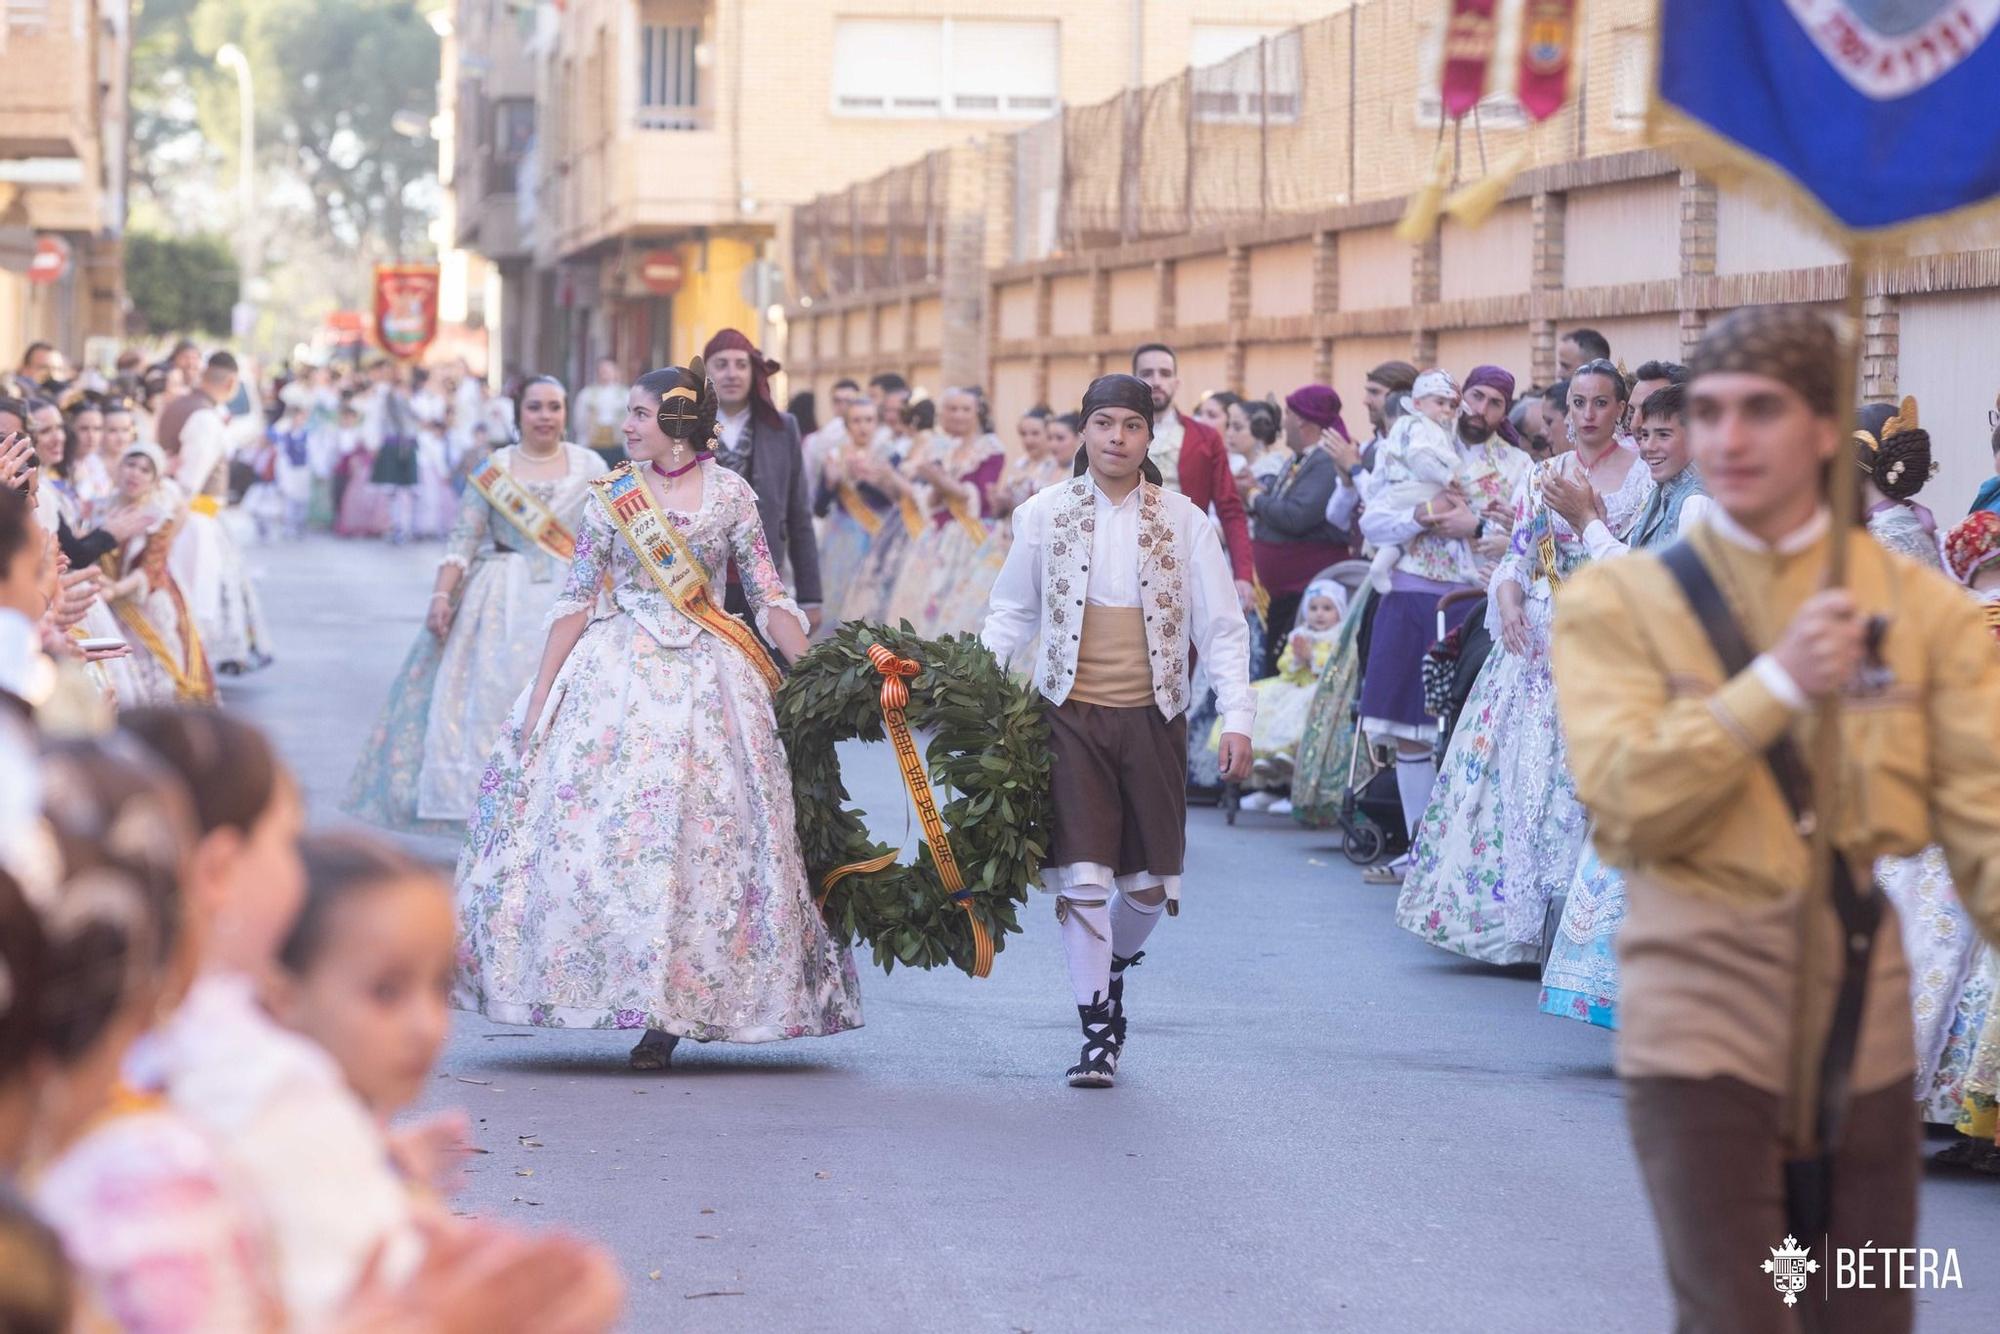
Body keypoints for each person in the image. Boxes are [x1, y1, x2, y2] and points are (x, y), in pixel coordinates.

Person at [1552, 305, 2000, 1334]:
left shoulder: (1925, 611)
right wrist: (1776, 682)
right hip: (1696, 1010)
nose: (1729, 438)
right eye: (1708, 413)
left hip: (1862, 1025)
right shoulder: (1619, 605)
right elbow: (1625, 795)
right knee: (1744, 1304)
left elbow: (1978, 834)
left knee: (1860, 1308)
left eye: (1764, 409)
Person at [455, 358, 861, 1070]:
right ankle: (614, 988)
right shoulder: (611, 494)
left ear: (675, 421)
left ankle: (680, 1007)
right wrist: (540, 697)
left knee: (710, 840)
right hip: (617, 671)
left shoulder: (732, 494)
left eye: (640, 415)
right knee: (607, 838)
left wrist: (822, 668)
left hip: (712, 673)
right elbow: (578, 597)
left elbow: (766, 595)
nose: (627, 427)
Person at [981, 373, 1254, 1088]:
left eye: (1131, 426)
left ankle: (1114, 967)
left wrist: (1239, 716)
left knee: (1147, 887)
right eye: (1103, 424)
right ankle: (1096, 1028)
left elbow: (1223, 626)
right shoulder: (1044, 513)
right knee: (1085, 876)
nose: (1116, 439)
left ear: (1148, 436)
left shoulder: (1187, 520)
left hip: (1154, 716)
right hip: (1068, 714)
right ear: (1084, 432)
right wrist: (980, 686)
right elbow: (1012, 611)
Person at [1394, 358, 1648, 963]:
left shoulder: (1641, 476)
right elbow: (1515, 557)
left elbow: (1631, 561)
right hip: (1532, 642)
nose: (1587, 416)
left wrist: (1588, 516)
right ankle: (1506, 928)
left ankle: (1568, 932)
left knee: (1570, 784)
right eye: (1577, 404)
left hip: (1596, 640)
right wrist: (1507, 602)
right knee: (1511, 774)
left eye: (1600, 404)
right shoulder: (1540, 475)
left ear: (1621, 411)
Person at [346, 375, 607, 834]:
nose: (545, 416)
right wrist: (441, 596)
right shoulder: (494, 469)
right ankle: (495, 811)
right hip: (499, 601)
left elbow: (612, 539)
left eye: (553, 407)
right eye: (535, 407)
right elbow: (463, 539)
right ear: (517, 412)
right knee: (495, 703)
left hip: (573, 600)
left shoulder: (590, 465)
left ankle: (559, 810)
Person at [1538, 382, 1711, 1028]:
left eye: (1665, 433)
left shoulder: (1698, 505)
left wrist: (1587, 521)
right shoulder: (1669, 495)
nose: (1650, 445)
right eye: (1644, 433)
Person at [1338, 365, 1528, 885]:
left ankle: (1461, 851)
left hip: (1476, 601)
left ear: (1504, 412)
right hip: (1409, 591)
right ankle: (1419, 848)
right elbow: (1372, 521)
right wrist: (1421, 516)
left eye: (1494, 403)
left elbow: (1528, 536)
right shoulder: (1411, 438)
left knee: (1466, 728)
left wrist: (1479, 526)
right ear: (1455, 398)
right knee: (1409, 733)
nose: (1479, 411)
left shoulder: (1515, 465)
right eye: (1474, 398)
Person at [704, 329, 822, 634]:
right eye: (721, 364)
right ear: (705, 372)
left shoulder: (782, 428)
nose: (732, 374)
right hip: (699, 580)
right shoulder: (687, 427)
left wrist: (811, 597)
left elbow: (799, 516)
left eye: (741, 364)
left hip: (765, 576)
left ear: (753, 371)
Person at [166, 352, 275, 673]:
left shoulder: (180, 406)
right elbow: (189, 482)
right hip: (192, 521)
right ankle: (191, 671)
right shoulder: (203, 418)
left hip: (189, 516)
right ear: (230, 383)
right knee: (197, 599)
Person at [1239, 385, 1354, 677]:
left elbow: (1296, 517)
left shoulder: (1326, 460)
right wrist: (1261, 492)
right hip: (1285, 593)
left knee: (1292, 669)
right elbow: (1282, 504)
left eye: (1288, 413)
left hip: (1306, 593)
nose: (1282, 420)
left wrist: (1252, 495)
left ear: (1302, 420)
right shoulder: (1299, 457)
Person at [1131, 344, 1255, 609]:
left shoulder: (1205, 438)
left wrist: (1244, 574)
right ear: (1134, 379)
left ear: (1176, 382)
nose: (1156, 381)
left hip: (1186, 560)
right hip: (1125, 560)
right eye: (1147, 373)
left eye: (1164, 373)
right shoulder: (1115, 437)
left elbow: (1230, 508)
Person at [877, 386, 1006, 637]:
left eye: (965, 409)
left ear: (977, 412)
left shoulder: (990, 448)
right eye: (952, 409)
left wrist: (937, 478)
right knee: (924, 603)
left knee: (959, 612)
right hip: (939, 535)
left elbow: (974, 497)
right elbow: (935, 500)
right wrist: (934, 482)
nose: (958, 415)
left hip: (970, 538)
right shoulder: (946, 448)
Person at [102, 442, 212, 705]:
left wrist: (115, 590)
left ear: (155, 480)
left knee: (157, 684)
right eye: (131, 465)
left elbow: (152, 568)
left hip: (145, 603)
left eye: (145, 470)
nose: (135, 474)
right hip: (105, 606)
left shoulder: (158, 516)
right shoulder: (98, 508)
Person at [1228, 579, 1345, 814]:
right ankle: (1269, 769)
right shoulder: (1300, 634)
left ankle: (1291, 773)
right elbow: (1284, 663)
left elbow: (1337, 667)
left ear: (1339, 612)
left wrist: (1312, 657)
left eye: (1326, 608)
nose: (1319, 614)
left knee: (1302, 710)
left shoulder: (1339, 637)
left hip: (1321, 690)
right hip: (1293, 684)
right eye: (1313, 608)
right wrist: (1296, 659)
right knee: (1262, 702)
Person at [1361, 370, 1461, 595]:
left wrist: (1376, 496)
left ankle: (1380, 565)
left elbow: (1378, 476)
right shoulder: (1424, 427)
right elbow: (1420, 457)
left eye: (1451, 405)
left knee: (1403, 536)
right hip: (1421, 488)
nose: (1446, 409)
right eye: (1440, 402)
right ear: (1417, 403)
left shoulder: (1417, 428)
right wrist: (1448, 477)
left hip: (1402, 491)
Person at [811, 393, 891, 630]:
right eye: (856, 421)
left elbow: (894, 502)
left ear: (877, 423)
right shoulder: (835, 456)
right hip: (842, 541)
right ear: (847, 424)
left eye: (868, 420)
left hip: (880, 537)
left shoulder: (888, 455)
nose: (863, 426)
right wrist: (830, 483)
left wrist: (869, 481)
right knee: (839, 598)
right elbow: (819, 507)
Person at [1358, 360, 1419, 471]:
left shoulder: (1421, 448)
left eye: (1374, 392)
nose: (1366, 401)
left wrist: (1354, 469)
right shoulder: (1367, 448)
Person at [574, 355, 628, 468]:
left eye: (608, 370)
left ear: (616, 371)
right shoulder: (587, 394)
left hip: (617, 444)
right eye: (602, 370)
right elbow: (579, 421)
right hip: (594, 444)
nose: (605, 373)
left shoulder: (625, 394)